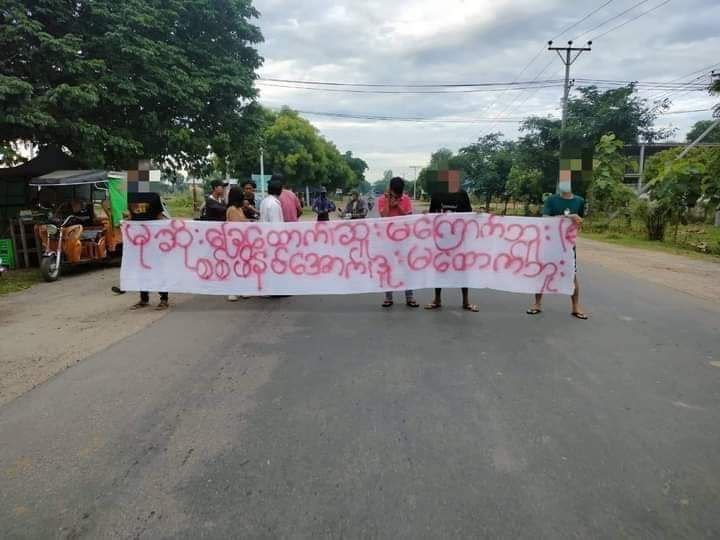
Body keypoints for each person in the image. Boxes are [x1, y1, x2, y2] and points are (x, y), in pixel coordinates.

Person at [526, 180, 588, 320]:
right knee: (543, 272)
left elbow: (580, 220)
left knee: (572, 273)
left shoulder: (580, 201)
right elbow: (545, 219)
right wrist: (568, 217)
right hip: (548, 243)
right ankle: (537, 303)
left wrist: (577, 222)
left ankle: (575, 307)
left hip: (567, 246)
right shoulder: (551, 200)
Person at [424, 191, 479, 312]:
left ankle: (466, 301)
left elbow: (468, 214)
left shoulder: (462, 194)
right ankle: (437, 299)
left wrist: (477, 215)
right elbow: (432, 214)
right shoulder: (437, 195)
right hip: (441, 239)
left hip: (459, 239)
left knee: (462, 270)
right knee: (439, 269)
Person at [377, 177, 419, 308]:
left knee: (407, 268)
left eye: (400, 194)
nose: (398, 196)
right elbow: (384, 216)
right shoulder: (382, 199)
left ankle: (409, 296)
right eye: (396, 194)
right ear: (390, 190)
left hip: (404, 239)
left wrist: (398, 206)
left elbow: (408, 217)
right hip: (388, 239)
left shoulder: (405, 199)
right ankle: (388, 297)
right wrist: (389, 202)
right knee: (388, 268)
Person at [127, 192, 169, 310]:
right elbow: (131, 216)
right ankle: (144, 299)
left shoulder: (154, 196)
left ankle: (164, 299)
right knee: (141, 269)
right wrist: (125, 225)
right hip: (138, 240)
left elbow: (159, 216)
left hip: (153, 239)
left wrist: (159, 236)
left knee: (158, 269)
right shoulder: (130, 195)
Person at [226, 187, 248, 302]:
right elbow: (236, 226)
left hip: (242, 241)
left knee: (241, 266)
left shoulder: (239, 209)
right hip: (234, 242)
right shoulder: (232, 210)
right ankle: (233, 291)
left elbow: (242, 222)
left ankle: (241, 289)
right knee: (235, 266)